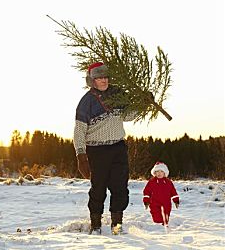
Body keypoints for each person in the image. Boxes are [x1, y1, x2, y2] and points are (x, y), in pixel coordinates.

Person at [73, 62, 138, 235]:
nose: (103, 80)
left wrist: (142, 104)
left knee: (120, 188)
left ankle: (117, 226)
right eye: (99, 77)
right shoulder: (86, 102)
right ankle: (95, 226)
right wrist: (81, 155)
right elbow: (79, 131)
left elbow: (128, 116)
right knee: (98, 188)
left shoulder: (117, 95)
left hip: (118, 148)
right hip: (97, 151)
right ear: (92, 80)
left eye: (105, 77)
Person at [143, 162, 179, 226]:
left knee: (166, 214)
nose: (159, 173)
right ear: (154, 173)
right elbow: (147, 191)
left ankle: (164, 224)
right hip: (154, 202)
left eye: (161, 171)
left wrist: (176, 200)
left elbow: (173, 192)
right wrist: (146, 201)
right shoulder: (151, 182)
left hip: (166, 202)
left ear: (164, 173)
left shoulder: (168, 182)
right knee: (156, 216)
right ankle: (158, 226)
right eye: (157, 171)